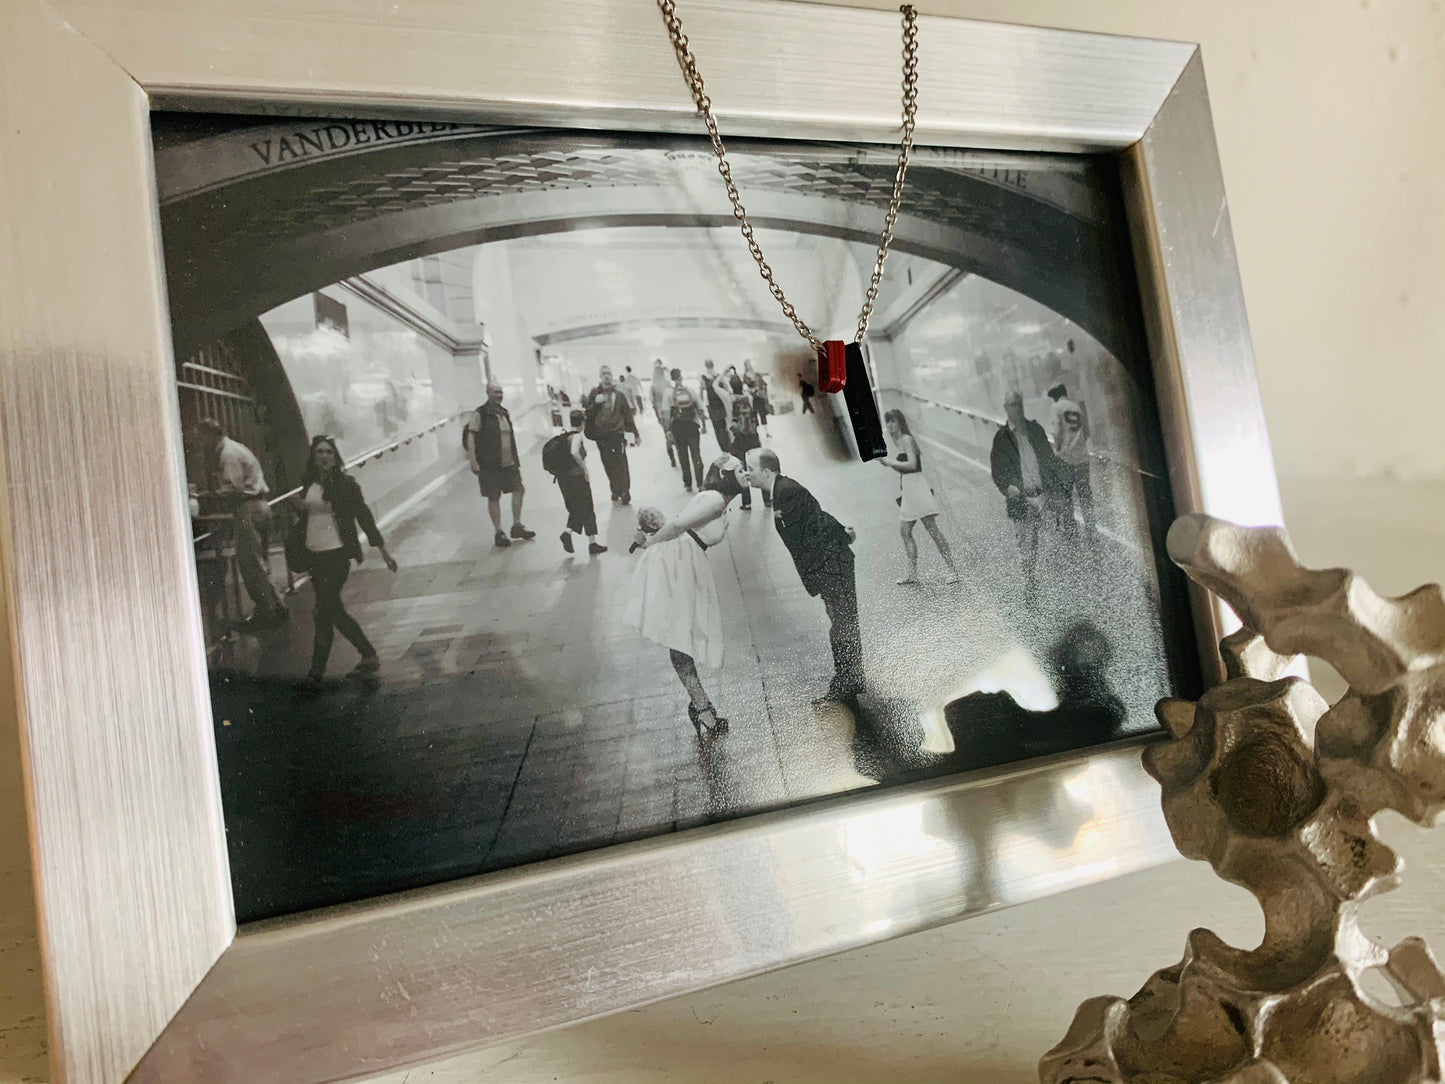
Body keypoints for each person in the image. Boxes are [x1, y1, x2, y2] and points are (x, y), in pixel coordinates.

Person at [624, 456, 748, 738]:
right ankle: (702, 708)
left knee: (683, 636)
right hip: (676, 561)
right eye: (740, 470)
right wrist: (652, 544)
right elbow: (679, 524)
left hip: (685, 560)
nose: (746, 473)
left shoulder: (718, 501)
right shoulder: (715, 499)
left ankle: (699, 704)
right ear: (724, 474)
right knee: (680, 636)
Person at [744, 448, 863, 703]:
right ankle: (850, 678)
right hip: (829, 566)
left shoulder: (787, 491)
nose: (747, 474)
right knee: (841, 622)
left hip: (833, 566)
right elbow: (815, 516)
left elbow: (816, 525)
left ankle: (847, 681)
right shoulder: (781, 490)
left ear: (766, 471)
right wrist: (842, 530)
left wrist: (841, 535)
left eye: (750, 469)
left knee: (842, 624)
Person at [287, 435, 397, 689]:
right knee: (328, 610)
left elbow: (364, 516)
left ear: (335, 457)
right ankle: (365, 657)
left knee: (325, 609)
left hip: (337, 555)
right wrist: (300, 508)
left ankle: (319, 671)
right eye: (319, 453)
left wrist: (383, 550)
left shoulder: (346, 484)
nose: (323, 457)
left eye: (328, 452)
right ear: (313, 458)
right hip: (314, 555)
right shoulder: (309, 484)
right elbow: (309, 515)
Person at [196, 417, 288, 631]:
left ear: (211, 435)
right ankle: (272, 606)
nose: (199, 442)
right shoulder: (234, 448)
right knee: (258, 562)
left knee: (251, 564)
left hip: (248, 508)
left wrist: (208, 495)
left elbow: (234, 488)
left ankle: (271, 610)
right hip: (259, 507)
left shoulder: (228, 454)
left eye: (201, 437)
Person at [989, 391, 1065, 600]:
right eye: (1012, 404)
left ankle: (1060, 587)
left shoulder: (1035, 430)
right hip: (1021, 500)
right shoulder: (1002, 438)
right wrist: (1007, 488)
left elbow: (1050, 461)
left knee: (1054, 542)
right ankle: (1031, 584)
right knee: (1027, 546)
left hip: (1043, 496)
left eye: (1019, 403)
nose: (1017, 408)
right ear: (1006, 408)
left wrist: (1057, 489)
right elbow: (997, 471)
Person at [881, 410, 960, 585]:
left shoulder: (907, 440)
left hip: (917, 487)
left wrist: (890, 463)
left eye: (892, 422)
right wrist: (888, 463)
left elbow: (912, 464)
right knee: (905, 531)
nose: (890, 425)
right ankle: (912, 574)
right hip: (910, 489)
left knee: (932, 530)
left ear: (900, 423)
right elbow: (903, 467)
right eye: (888, 422)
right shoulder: (898, 441)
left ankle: (952, 570)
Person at [463, 382, 536, 549]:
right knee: (493, 496)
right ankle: (498, 531)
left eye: (501, 392)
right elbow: (471, 437)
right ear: (488, 393)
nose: (499, 395)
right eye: (495, 392)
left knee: (519, 489)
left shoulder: (504, 413)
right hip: (490, 463)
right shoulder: (480, 413)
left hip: (508, 462)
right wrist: (472, 460)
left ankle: (517, 525)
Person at [551, 408, 607, 555]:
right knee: (587, 508)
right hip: (577, 478)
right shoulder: (577, 436)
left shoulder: (565, 435)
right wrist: (584, 469)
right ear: (582, 422)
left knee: (578, 508)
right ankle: (578, 537)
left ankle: (580, 538)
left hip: (565, 479)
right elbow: (574, 452)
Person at [583, 365, 640, 505]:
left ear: (612, 375)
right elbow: (588, 414)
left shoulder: (619, 395)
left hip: (617, 434)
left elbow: (627, 415)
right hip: (601, 435)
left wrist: (635, 433)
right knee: (608, 463)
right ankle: (615, 489)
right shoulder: (594, 393)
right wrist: (595, 404)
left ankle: (625, 491)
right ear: (600, 376)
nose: (606, 376)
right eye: (603, 373)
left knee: (621, 462)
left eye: (608, 373)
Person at [1048, 383, 1095, 534]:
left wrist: (1057, 450)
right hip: (1082, 458)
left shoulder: (1056, 407)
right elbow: (1087, 433)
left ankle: (1070, 529)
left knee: (1066, 496)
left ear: (1055, 396)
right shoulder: (1076, 408)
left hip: (1065, 459)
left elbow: (1056, 432)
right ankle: (1090, 526)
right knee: (1085, 495)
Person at [727, 376, 768, 511]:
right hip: (753, 436)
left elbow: (731, 421)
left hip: (740, 439)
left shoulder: (730, 399)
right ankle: (767, 500)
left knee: (742, 469)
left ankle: (747, 502)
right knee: (759, 466)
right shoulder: (748, 397)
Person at [664, 368, 706, 492]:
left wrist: (668, 430)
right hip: (692, 426)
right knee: (696, 454)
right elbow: (700, 408)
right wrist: (703, 425)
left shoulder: (668, 393)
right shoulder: (690, 390)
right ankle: (700, 483)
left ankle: (688, 484)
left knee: (683, 456)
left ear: (671, 378)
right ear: (681, 377)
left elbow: (666, 414)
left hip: (677, 428)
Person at [699, 359, 731, 454]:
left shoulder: (703, 378)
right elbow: (727, 388)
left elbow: (701, 392)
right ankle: (728, 446)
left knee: (717, 429)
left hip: (712, 406)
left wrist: (701, 406)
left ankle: (724, 449)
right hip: (721, 403)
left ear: (705, 366)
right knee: (725, 427)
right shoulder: (718, 376)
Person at [651, 358, 677, 468]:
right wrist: (667, 370)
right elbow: (674, 394)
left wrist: (657, 416)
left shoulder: (653, 386)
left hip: (661, 414)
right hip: (671, 411)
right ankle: (678, 452)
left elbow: (652, 402)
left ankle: (672, 459)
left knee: (667, 435)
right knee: (675, 433)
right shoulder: (667, 383)